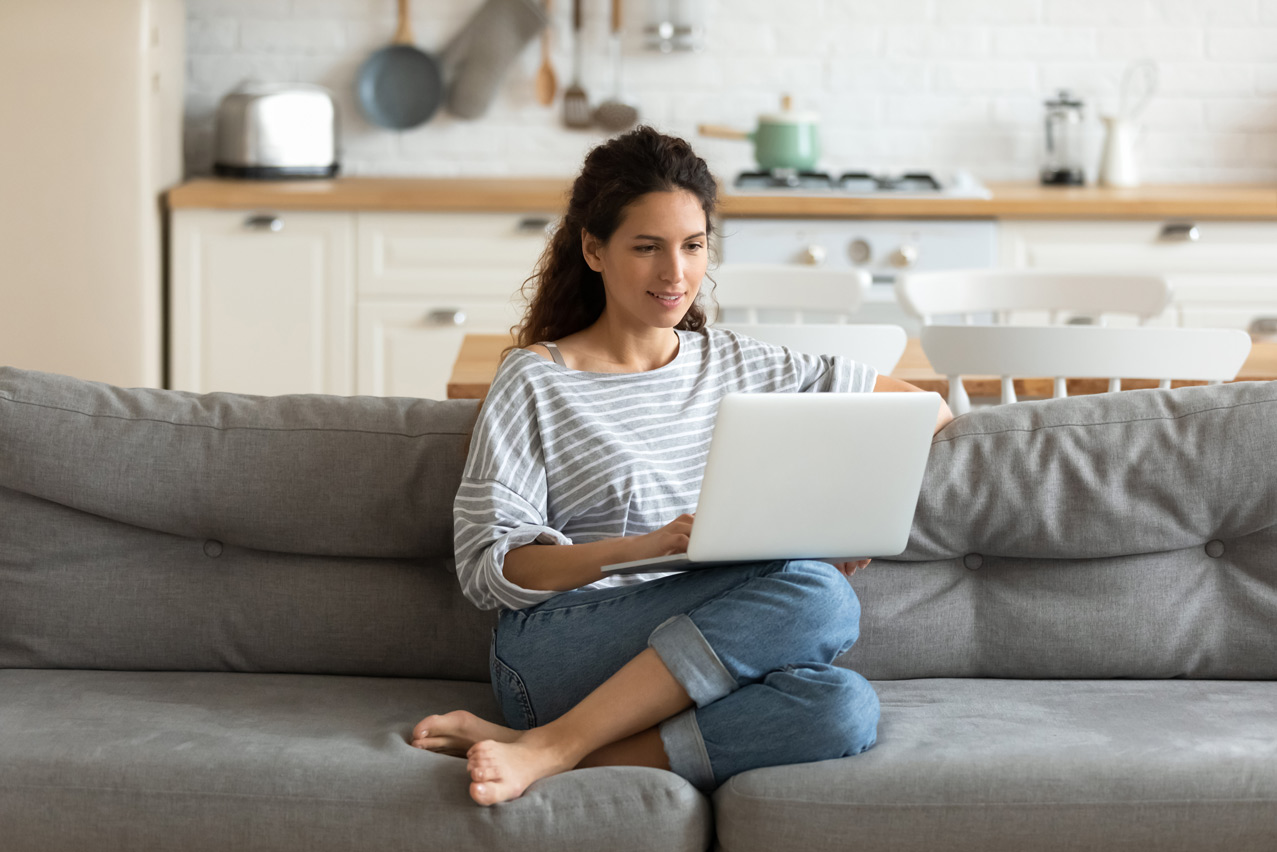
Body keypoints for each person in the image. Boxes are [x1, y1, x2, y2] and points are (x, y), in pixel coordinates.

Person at [410, 126, 954, 807]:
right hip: (559, 651)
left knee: (842, 709)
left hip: (713, 648)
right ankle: (548, 737)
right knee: (818, 596)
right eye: (647, 247)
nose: (675, 275)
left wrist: (841, 519)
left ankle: (559, 751)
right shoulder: (536, 380)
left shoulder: (738, 363)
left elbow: (924, 411)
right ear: (593, 250)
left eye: (693, 247)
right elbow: (493, 570)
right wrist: (644, 548)